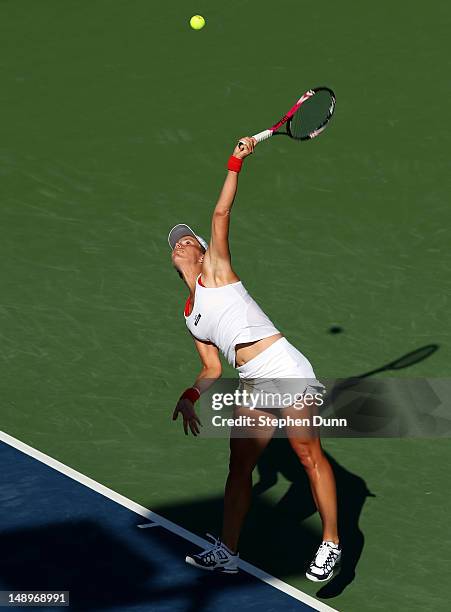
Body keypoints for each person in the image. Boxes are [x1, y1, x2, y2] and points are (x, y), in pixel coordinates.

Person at [168, 137, 341, 582]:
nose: (180, 242)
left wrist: (235, 162)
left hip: (284, 367)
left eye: (187, 239)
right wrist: (191, 395)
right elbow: (212, 368)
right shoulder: (189, 315)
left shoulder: (217, 269)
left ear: (204, 251)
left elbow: (221, 213)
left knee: (307, 455)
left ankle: (331, 542)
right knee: (239, 466)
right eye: (175, 243)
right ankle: (228, 551)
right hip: (252, 383)